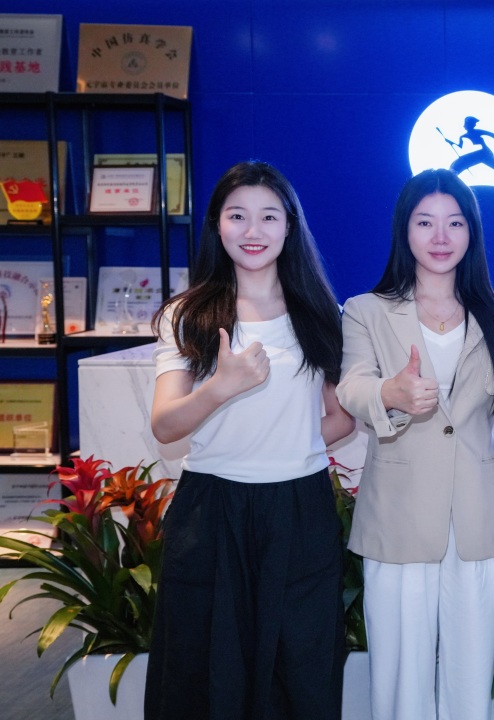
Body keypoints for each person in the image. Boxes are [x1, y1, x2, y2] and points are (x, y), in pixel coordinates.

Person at [146, 160, 354, 720]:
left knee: (300, 667)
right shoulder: (186, 315)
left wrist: (283, 445)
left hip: (299, 508)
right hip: (211, 509)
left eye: (269, 216)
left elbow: (341, 419)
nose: (253, 230)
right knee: (205, 665)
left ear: (290, 226)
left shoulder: (321, 313)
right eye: (237, 216)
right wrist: (221, 388)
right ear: (217, 224)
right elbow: (165, 426)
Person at [336, 168, 494, 720]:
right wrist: (391, 393)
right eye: (425, 223)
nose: (441, 236)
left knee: (471, 672)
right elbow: (352, 387)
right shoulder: (366, 310)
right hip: (397, 517)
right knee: (402, 671)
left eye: (455, 223)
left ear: (472, 232)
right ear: (405, 230)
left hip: (477, 515)